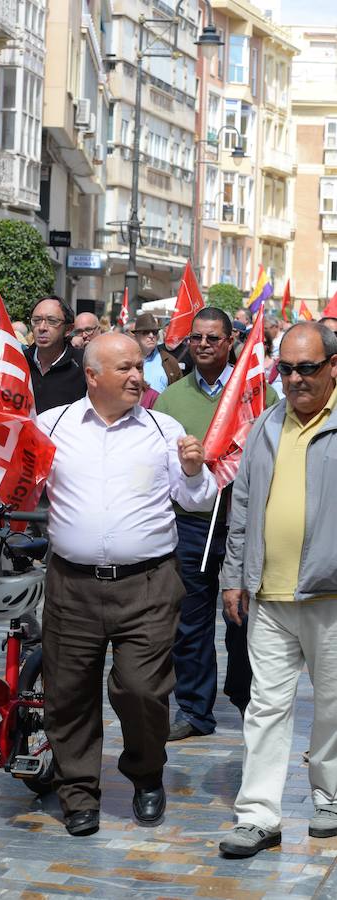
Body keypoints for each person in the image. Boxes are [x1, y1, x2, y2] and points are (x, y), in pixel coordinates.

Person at [38, 333, 217, 837]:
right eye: (125, 369)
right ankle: (78, 792)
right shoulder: (52, 425)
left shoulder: (164, 428)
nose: (138, 376)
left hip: (148, 585)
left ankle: (145, 774)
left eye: (140, 366)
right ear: (92, 376)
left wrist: (192, 469)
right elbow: (21, 482)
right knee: (69, 693)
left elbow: (198, 499)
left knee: (142, 689)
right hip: (71, 584)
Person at [219, 322, 337, 858]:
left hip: (330, 595)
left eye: (307, 368)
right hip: (268, 595)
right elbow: (241, 508)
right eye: (286, 368)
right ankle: (258, 816)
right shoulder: (266, 424)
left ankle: (329, 798)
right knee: (265, 707)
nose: (295, 379)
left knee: (332, 707)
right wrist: (234, 578)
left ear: (333, 366)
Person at [154, 308, 278, 740]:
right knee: (190, 622)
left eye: (213, 338)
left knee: (243, 619)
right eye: (197, 338)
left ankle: (248, 704)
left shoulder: (257, 393)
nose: (203, 345)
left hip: (245, 525)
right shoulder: (170, 399)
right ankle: (193, 709)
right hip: (191, 525)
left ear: (230, 342)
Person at [24, 295, 86, 414]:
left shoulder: (84, 365)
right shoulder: (18, 362)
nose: (42, 327)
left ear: (68, 329)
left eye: (52, 321)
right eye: (36, 320)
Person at [127, 313, 182, 394]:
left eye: (155, 332)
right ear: (136, 336)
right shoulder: (126, 359)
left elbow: (179, 393)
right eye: (146, 332)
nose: (151, 335)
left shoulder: (169, 361)